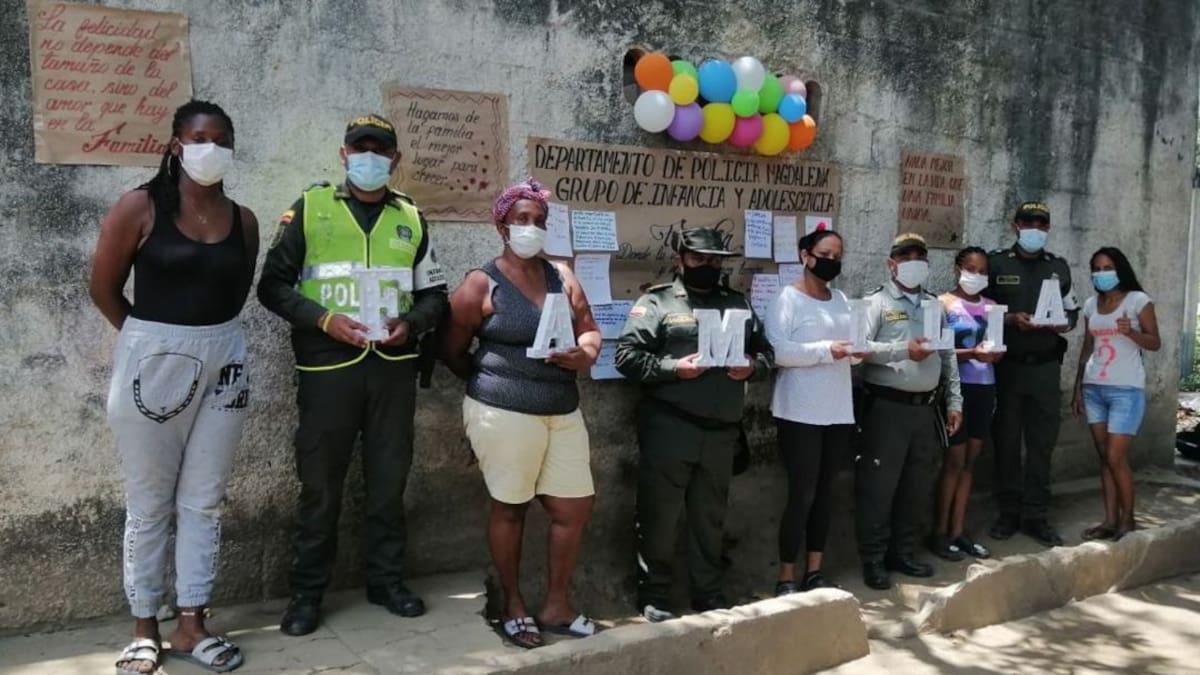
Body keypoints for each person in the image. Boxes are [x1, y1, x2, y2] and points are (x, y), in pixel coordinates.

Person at [257, 114, 448, 636]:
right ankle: (307, 594)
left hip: (391, 371)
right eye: (359, 148)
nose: (369, 157)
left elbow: (435, 295)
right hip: (328, 368)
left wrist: (410, 325)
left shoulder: (411, 216)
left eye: (379, 150)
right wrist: (324, 319)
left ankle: (386, 581)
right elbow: (271, 287)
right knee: (320, 488)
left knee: (389, 483)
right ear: (344, 155)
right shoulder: (311, 207)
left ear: (395, 160)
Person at [90, 100, 258, 674]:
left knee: (204, 500)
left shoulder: (245, 219)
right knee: (150, 501)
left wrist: (201, 345)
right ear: (176, 144)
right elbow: (104, 287)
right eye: (198, 136)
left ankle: (192, 624)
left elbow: (234, 295)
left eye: (221, 138)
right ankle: (145, 627)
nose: (210, 147)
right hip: (153, 358)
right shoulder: (140, 206)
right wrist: (152, 345)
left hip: (225, 357)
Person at [442, 180, 602, 649]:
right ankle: (513, 605)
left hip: (562, 409)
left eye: (538, 221)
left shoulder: (563, 276)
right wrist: (493, 383)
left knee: (574, 507)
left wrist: (585, 354)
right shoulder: (481, 282)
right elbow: (451, 349)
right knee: (509, 507)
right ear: (502, 226)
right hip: (503, 410)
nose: (531, 228)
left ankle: (556, 605)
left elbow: (589, 329)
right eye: (521, 220)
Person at [615, 227, 774, 622]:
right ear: (680, 259)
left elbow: (766, 352)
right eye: (699, 258)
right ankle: (655, 595)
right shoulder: (658, 303)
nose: (708, 266)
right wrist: (673, 369)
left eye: (716, 260)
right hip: (672, 428)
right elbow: (626, 358)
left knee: (710, 517)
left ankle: (708, 592)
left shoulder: (737, 304)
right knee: (659, 516)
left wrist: (752, 367)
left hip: (721, 433)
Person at [856, 233, 962, 591]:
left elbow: (948, 356)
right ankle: (873, 559)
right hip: (887, 409)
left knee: (916, 487)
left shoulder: (935, 305)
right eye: (905, 255)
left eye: (920, 255)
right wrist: (903, 350)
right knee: (879, 489)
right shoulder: (876, 303)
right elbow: (860, 350)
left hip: (925, 411)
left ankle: (903, 553)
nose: (913, 260)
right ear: (891, 263)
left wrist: (954, 401)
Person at [765, 229, 864, 595]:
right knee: (801, 494)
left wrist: (857, 352)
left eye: (838, 254)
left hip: (838, 411)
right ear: (806, 255)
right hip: (799, 412)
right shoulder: (786, 299)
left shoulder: (840, 299)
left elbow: (851, 350)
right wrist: (828, 350)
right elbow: (778, 352)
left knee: (826, 494)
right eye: (825, 253)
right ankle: (786, 575)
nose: (832, 261)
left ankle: (815, 571)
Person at [985, 201, 1078, 546]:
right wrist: (1009, 320)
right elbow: (981, 312)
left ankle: (1036, 514)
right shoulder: (996, 264)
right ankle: (1008, 512)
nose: (1035, 228)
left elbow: (1072, 314)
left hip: (1045, 370)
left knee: (1042, 444)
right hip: (1007, 370)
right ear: (1015, 225)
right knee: (1006, 442)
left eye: (1042, 222)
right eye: (1029, 222)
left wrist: (1062, 324)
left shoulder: (1059, 268)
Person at [1071, 247, 1160, 541]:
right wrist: (1077, 388)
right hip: (1094, 387)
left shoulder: (1138, 301)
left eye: (1108, 267)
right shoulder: (1089, 305)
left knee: (1115, 456)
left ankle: (1128, 519)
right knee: (1104, 457)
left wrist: (1131, 332)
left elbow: (1154, 342)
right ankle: (1109, 520)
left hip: (1126, 389)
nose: (1102, 273)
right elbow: (1087, 347)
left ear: (1119, 269)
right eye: (1096, 268)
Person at [930, 247, 1000, 561]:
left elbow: (998, 350)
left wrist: (994, 354)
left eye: (983, 271)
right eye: (971, 268)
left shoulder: (992, 306)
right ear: (958, 268)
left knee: (970, 463)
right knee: (953, 462)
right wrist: (971, 354)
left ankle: (959, 530)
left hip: (985, 389)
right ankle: (939, 533)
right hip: (956, 391)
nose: (977, 275)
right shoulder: (943, 304)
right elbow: (937, 352)